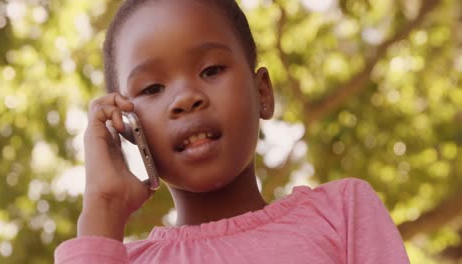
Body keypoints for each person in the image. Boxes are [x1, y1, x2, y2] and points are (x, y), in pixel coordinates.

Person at [54, 0, 410, 263]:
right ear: (128, 130)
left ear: (262, 93)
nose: (185, 98)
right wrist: (103, 207)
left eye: (210, 70)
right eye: (151, 89)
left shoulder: (340, 213)